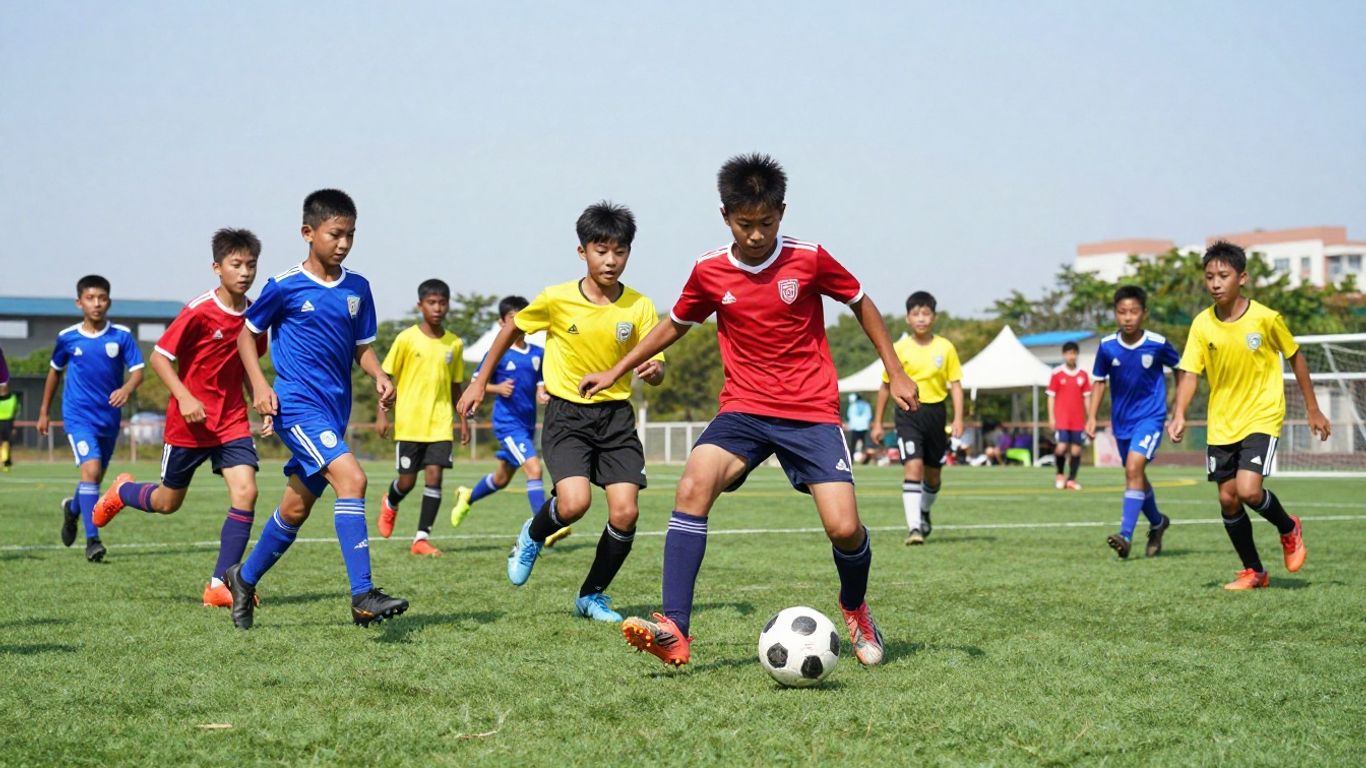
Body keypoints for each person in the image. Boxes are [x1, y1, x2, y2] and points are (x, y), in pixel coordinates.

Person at [578, 153, 919, 668]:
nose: (756, 234)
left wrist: (895, 369)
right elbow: (675, 323)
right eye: (745, 224)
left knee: (844, 528)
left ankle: (855, 607)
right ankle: (675, 627)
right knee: (693, 485)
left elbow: (862, 302)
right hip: (744, 409)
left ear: (781, 213)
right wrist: (617, 370)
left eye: (766, 223)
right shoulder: (710, 270)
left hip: (810, 411)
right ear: (725, 217)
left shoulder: (810, 258)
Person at [455, 201, 665, 622]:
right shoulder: (556, 299)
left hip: (616, 418)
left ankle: (592, 596)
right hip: (568, 415)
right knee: (573, 504)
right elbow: (511, 328)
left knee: (626, 512)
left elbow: (654, 364)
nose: (610, 260)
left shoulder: (640, 306)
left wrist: (655, 369)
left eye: (620, 251)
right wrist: (480, 380)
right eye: (600, 250)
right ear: (582, 251)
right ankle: (532, 536)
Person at [223, 189, 408, 629]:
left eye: (350, 235)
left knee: (294, 509)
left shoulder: (358, 288)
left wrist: (379, 375)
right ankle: (363, 594)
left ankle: (243, 579)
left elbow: (362, 347)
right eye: (335, 234)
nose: (343, 243)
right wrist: (261, 384)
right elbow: (245, 337)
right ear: (308, 233)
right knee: (354, 478)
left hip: (334, 411)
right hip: (297, 406)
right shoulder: (284, 286)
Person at [89, 229, 268, 606]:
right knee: (168, 504)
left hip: (231, 422)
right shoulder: (199, 310)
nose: (245, 272)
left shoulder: (255, 316)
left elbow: (249, 366)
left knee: (247, 492)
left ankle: (220, 584)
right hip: (189, 424)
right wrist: (184, 396)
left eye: (251, 264)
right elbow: (159, 357)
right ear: (216, 268)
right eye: (236, 264)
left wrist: (260, 400)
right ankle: (122, 491)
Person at [1169, 241, 1329, 590]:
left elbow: (1296, 357)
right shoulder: (1202, 324)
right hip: (1222, 422)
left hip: (1262, 414)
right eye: (1209, 276)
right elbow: (1191, 373)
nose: (1215, 283)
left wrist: (1312, 408)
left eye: (1223, 276)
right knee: (1227, 498)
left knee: (1248, 490)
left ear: (1242, 278)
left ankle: (1289, 527)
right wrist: (1179, 412)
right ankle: (1254, 571)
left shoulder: (1266, 318)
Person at [36, 275, 145, 562]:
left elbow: (138, 372)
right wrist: (45, 412)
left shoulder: (121, 336)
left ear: (109, 301)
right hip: (78, 416)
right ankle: (92, 540)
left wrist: (126, 388)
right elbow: (54, 373)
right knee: (92, 471)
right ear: (79, 302)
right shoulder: (67, 337)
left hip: (108, 419)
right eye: (90, 298)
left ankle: (73, 509)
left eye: (102, 298)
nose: (96, 303)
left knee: (94, 478)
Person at [448, 296, 559, 539]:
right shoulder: (497, 353)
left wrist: (542, 393)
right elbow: (476, 384)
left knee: (501, 478)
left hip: (527, 423)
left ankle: (467, 495)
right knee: (534, 469)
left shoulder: (538, 353)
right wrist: (497, 389)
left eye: (523, 318)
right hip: (507, 424)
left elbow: (541, 383)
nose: (519, 324)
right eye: (513, 319)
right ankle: (543, 530)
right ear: (502, 323)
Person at [1084, 285, 1182, 559]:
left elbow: (1182, 370)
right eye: (1122, 312)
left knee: (1133, 468)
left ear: (1144, 314)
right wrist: (1091, 416)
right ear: (1115, 314)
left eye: (1134, 312)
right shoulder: (1106, 347)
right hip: (1121, 423)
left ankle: (1125, 535)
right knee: (1135, 474)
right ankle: (1158, 523)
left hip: (1150, 418)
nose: (1128, 317)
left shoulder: (1157, 343)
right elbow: (1099, 382)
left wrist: (1178, 411)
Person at [375, 278, 464, 557]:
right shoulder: (406, 338)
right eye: (431, 302)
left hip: (440, 423)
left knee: (435, 477)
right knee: (407, 482)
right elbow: (386, 378)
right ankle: (391, 500)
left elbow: (456, 385)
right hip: (410, 424)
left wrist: (463, 421)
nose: (437, 308)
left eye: (442, 303)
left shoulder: (455, 343)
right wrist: (383, 413)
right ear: (420, 305)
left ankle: (421, 539)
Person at [872, 291, 963, 544]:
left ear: (934, 317)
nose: (921, 319)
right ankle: (914, 528)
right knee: (913, 466)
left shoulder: (946, 348)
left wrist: (958, 419)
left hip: (936, 413)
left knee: (933, 476)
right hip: (908, 413)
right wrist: (878, 422)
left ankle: (924, 511)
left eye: (926, 313)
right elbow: (885, 385)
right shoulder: (899, 348)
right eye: (916, 314)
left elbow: (955, 384)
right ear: (907, 318)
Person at [1048, 341, 1092, 489]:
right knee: (1061, 447)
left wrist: (1090, 417)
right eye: (1068, 353)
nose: (1071, 356)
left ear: (1077, 354)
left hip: (1078, 419)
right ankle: (1060, 474)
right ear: (1064, 355)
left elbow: (1087, 397)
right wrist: (1051, 417)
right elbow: (1051, 396)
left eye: (1073, 353)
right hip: (1062, 419)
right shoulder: (1057, 374)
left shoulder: (1083, 375)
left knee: (1076, 450)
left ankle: (1071, 479)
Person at [844, 394, 872, 460]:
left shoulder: (852, 405)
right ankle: (866, 460)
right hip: (864, 426)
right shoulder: (866, 405)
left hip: (854, 427)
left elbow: (849, 415)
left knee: (852, 446)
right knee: (866, 445)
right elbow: (869, 416)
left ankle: (851, 460)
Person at [0, 389, 17, 471]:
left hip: (7, 422)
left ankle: (6, 462)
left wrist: (13, 426)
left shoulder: (13, 398)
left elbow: (15, 411)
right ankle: (3, 461)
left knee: (7, 443)